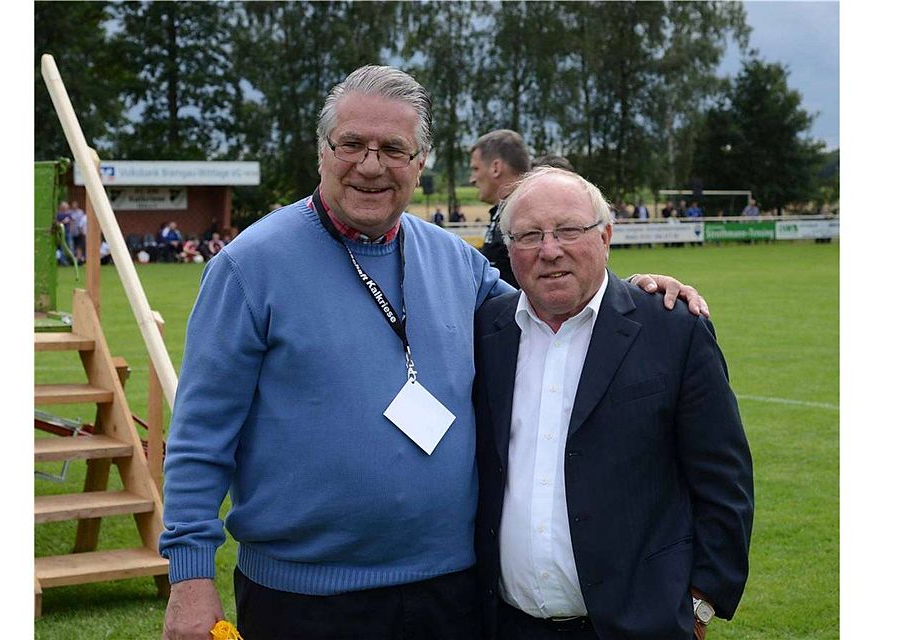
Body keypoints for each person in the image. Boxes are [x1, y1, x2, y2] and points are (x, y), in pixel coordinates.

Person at [160, 65, 710, 640]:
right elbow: (200, 437)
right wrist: (190, 577)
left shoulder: (458, 262)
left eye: (394, 148)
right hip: (304, 598)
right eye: (351, 144)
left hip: (454, 593)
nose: (370, 165)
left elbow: (554, 311)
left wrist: (633, 295)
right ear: (322, 151)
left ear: (421, 163)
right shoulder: (249, 267)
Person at [473, 167, 754, 640]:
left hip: (640, 626)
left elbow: (724, 482)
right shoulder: (486, 331)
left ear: (605, 236)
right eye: (529, 236)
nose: (549, 249)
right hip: (507, 625)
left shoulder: (672, 327)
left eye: (568, 230)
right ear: (509, 249)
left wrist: (702, 601)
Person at [469, 129, 530, 288]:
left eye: (476, 169)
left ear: (496, 168)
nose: (472, 179)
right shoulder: (504, 211)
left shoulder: (525, 215)